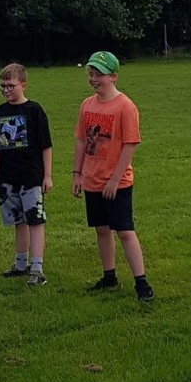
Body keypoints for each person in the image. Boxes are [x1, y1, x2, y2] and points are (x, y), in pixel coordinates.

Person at [72, 51, 153, 302]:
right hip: (92, 180)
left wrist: (115, 180)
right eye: (91, 73)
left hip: (117, 182)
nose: (94, 79)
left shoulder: (125, 107)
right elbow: (81, 141)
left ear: (114, 77)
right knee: (101, 230)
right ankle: (109, 276)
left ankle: (142, 283)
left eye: (100, 74)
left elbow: (130, 144)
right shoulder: (87, 105)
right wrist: (77, 174)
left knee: (125, 231)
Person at [0, 62, 54, 286]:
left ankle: (37, 267)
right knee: (18, 221)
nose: (6, 90)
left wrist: (47, 175)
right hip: (7, 177)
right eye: (2, 86)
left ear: (23, 85)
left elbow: (46, 146)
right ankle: (20, 263)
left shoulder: (34, 111)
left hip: (31, 176)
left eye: (10, 85)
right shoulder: (0, 112)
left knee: (35, 220)